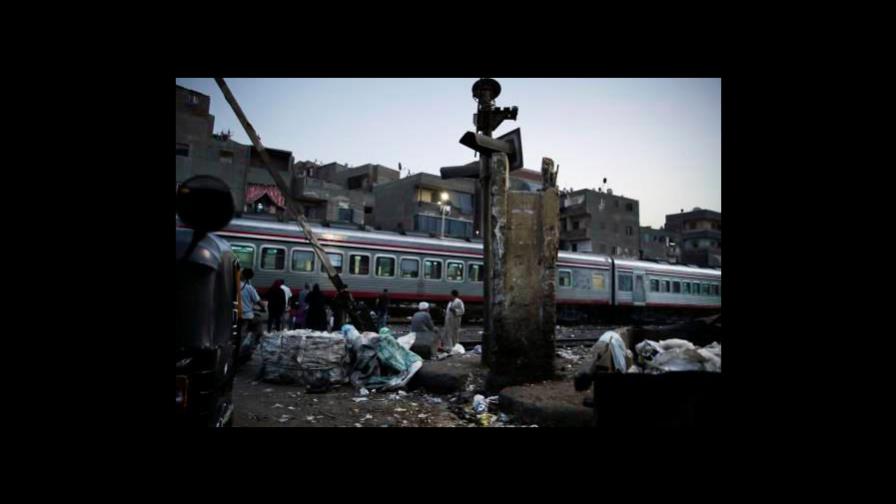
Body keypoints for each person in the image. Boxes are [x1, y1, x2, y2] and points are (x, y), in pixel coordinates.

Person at [238, 268, 262, 349]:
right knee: (257, 322)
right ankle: (251, 344)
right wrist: (263, 308)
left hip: (233, 314)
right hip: (245, 315)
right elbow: (258, 301)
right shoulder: (249, 288)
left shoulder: (232, 283)